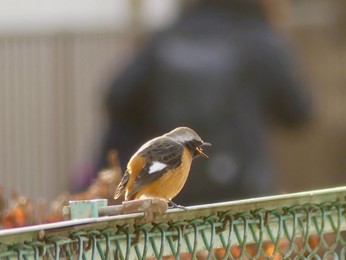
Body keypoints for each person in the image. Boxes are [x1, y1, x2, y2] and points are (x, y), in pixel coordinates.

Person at [97, 0, 311, 205]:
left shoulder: (167, 37)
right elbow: (298, 112)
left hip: (171, 193)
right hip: (244, 193)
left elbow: (118, 96)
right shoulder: (262, 39)